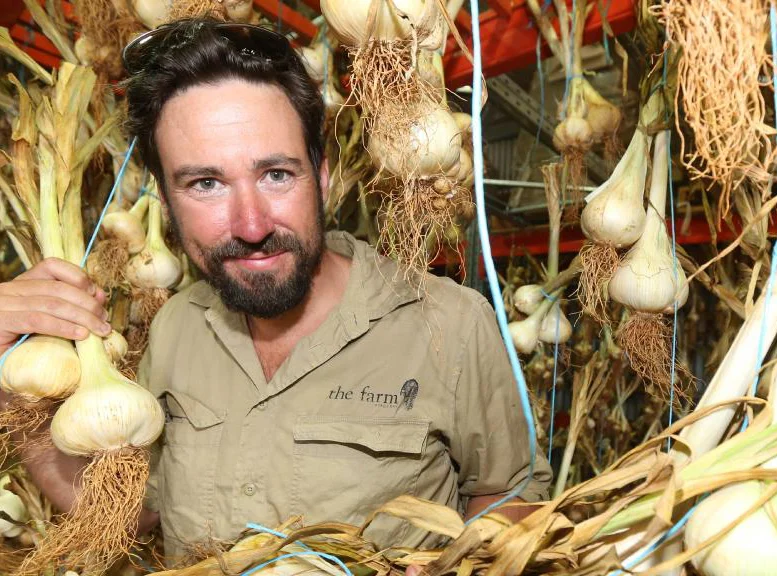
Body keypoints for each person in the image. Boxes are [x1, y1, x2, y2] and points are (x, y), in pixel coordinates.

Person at [0, 18, 552, 564]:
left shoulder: (451, 322)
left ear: (324, 176)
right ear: (166, 206)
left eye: (276, 174)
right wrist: (7, 368)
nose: (251, 223)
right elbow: (130, 514)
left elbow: (511, 495)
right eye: (205, 184)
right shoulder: (175, 328)